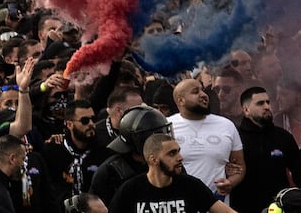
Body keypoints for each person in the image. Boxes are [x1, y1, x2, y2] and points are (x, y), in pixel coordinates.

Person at [109, 133, 238, 213]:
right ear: (153, 159)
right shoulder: (130, 189)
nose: (180, 157)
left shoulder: (190, 185)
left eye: (178, 151)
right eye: (172, 153)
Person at [168, 79, 245, 205]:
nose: (204, 95)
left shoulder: (226, 125)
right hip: (179, 204)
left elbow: (240, 167)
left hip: (218, 205)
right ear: (181, 100)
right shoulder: (167, 126)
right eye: (195, 91)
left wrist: (230, 182)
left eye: (203, 90)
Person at [230, 86, 301, 213]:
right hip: (242, 207)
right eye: (260, 103)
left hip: (279, 207)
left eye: (268, 102)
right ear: (246, 110)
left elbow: (300, 171)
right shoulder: (235, 138)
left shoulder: (284, 137)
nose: (267, 106)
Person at [89, 105, 173, 206]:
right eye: (157, 136)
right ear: (140, 140)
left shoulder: (170, 164)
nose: (163, 141)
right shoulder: (110, 172)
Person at [42, 99, 109, 209]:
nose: (91, 124)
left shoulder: (103, 153)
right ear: (69, 124)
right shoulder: (52, 151)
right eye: (85, 120)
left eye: (93, 119)